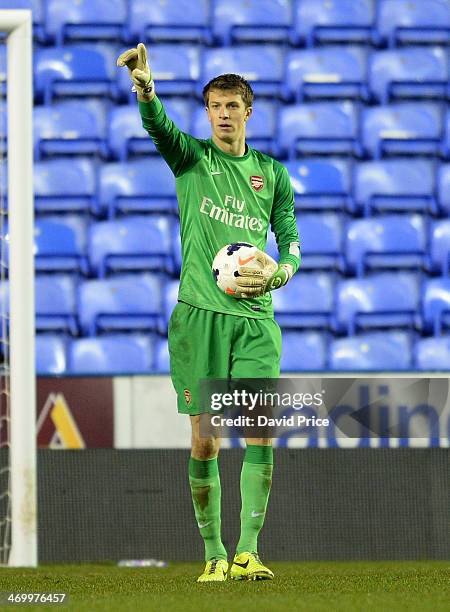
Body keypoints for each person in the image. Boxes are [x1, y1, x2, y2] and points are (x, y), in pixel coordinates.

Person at [117, 43, 300, 582]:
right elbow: (159, 130)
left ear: (248, 112)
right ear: (207, 113)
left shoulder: (272, 174)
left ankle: (248, 551)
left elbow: (290, 241)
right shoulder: (193, 158)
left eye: (231, 106)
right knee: (205, 439)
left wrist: (279, 272)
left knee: (260, 432)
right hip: (200, 316)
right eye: (214, 106)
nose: (222, 114)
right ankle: (213, 554)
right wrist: (147, 90)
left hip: (256, 321)